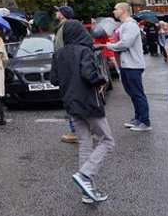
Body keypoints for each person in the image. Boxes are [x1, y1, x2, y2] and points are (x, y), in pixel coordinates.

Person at [50, 20, 113, 204]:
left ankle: (87, 192)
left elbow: (54, 79)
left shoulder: (58, 54)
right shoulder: (85, 50)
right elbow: (89, 75)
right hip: (88, 102)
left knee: (85, 144)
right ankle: (85, 175)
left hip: (70, 104)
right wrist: (101, 80)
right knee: (107, 141)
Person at [106, 2, 151, 132]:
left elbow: (126, 43)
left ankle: (145, 121)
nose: (113, 11)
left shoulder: (131, 25)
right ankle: (138, 118)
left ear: (124, 10)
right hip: (126, 65)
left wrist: (111, 46)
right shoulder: (123, 25)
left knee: (138, 94)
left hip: (133, 65)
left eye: (115, 9)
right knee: (132, 93)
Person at [53, 6, 78, 143]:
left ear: (62, 15)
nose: (56, 13)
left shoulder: (63, 28)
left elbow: (59, 49)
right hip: (74, 67)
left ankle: (75, 131)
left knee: (70, 99)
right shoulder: (74, 26)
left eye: (58, 11)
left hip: (67, 69)